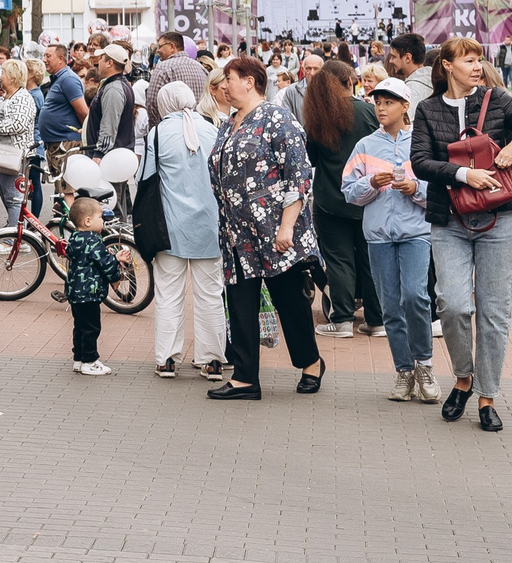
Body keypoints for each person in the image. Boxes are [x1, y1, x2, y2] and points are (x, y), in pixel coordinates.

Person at [410, 35, 512, 433]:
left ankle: (487, 396)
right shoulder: (427, 109)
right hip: (449, 221)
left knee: (494, 312)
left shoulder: (499, 102)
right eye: (468, 60)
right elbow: (420, 161)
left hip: (498, 221)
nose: (477, 66)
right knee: (452, 304)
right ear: (447, 67)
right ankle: (463, 377)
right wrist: (461, 173)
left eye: (479, 60)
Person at [204, 57, 325, 401]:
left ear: (250, 81)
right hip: (236, 234)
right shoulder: (228, 124)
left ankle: (311, 362)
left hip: (275, 232)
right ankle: (245, 378)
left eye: (228, 79)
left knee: (289, 301)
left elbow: (299, 177)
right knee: (240, 302)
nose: (223, 86)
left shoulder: (277, 118)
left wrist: (287, 226)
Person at [341, 81, 434, 402]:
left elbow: (438, 190)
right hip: (378, 237)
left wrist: (415, 189)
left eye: (389, 102)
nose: (381, 108)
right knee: (390, 306)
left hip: (416, 234)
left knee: (415, 297)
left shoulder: (422, 143)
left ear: (405, 106)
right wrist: (370, 183)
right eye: (378, 102)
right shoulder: (364, 146)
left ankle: (425, 364)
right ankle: (403, 371)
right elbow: (349, 192)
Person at [140, 82, 224, 380]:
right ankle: (212, 360)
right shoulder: (213, 129)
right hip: (209, 227)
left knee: (169, 294)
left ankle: (166, 359)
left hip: (169, 228)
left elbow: (145, 178)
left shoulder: (159, 133)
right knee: (211, 294)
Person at [299, 59, 382, 339]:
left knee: (338, 260)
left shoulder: (317, 116)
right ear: (350, 82)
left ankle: (343, 318)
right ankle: (376, 319)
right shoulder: (367, 111)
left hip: (329, 198)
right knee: (370, 259)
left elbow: (310, 158)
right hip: (368, 196)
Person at [63, 196, 116, 376]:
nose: (102, 221)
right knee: (92, 328)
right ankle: (90, 361)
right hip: (89, 292)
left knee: (79, 326)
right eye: (100, 217)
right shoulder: (93, 240)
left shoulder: (75, 238)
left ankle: (78, 358)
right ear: (87, 221)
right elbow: (106, 263)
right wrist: (116, 263)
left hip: (75, 292)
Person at [34, 44, 89, 207]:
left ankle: (73, 228)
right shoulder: (60, 79)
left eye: (48, 56)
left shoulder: (68, 79)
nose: (44, 60)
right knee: (61, 189)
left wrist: (83, 133)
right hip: (57, 143)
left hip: (66, 143)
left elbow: (83, 112)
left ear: (61, 58)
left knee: (67, 190)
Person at [0, 59, 37, 231]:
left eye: (3, 72)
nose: (0, 76)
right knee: (7, 196)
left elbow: (17, 125)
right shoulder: (5, 97)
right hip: (2, 154)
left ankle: (15, 237)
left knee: (15, 197)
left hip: (16, 156)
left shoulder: (23, 98)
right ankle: (13, 229)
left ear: (12, 77)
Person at [145, 30, 209, 123]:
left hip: (172, 130)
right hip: (200, 127)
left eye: (160, 46)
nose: (158, 50)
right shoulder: (200, 68)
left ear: (171, 47)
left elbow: (152, 103)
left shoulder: (163, 68)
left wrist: (157, 129)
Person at [277, 52, 324, 129]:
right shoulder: (292, 91)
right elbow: (286, 118)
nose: (312, 73)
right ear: (303, 70)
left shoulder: (329, 91)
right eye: (308, 68)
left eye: (316, 69)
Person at [384, 33, 433, 105]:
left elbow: (408, 116)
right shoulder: (436, 81)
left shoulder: (411, 90)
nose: (390, 61)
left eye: (393, 57)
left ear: (408, 58)